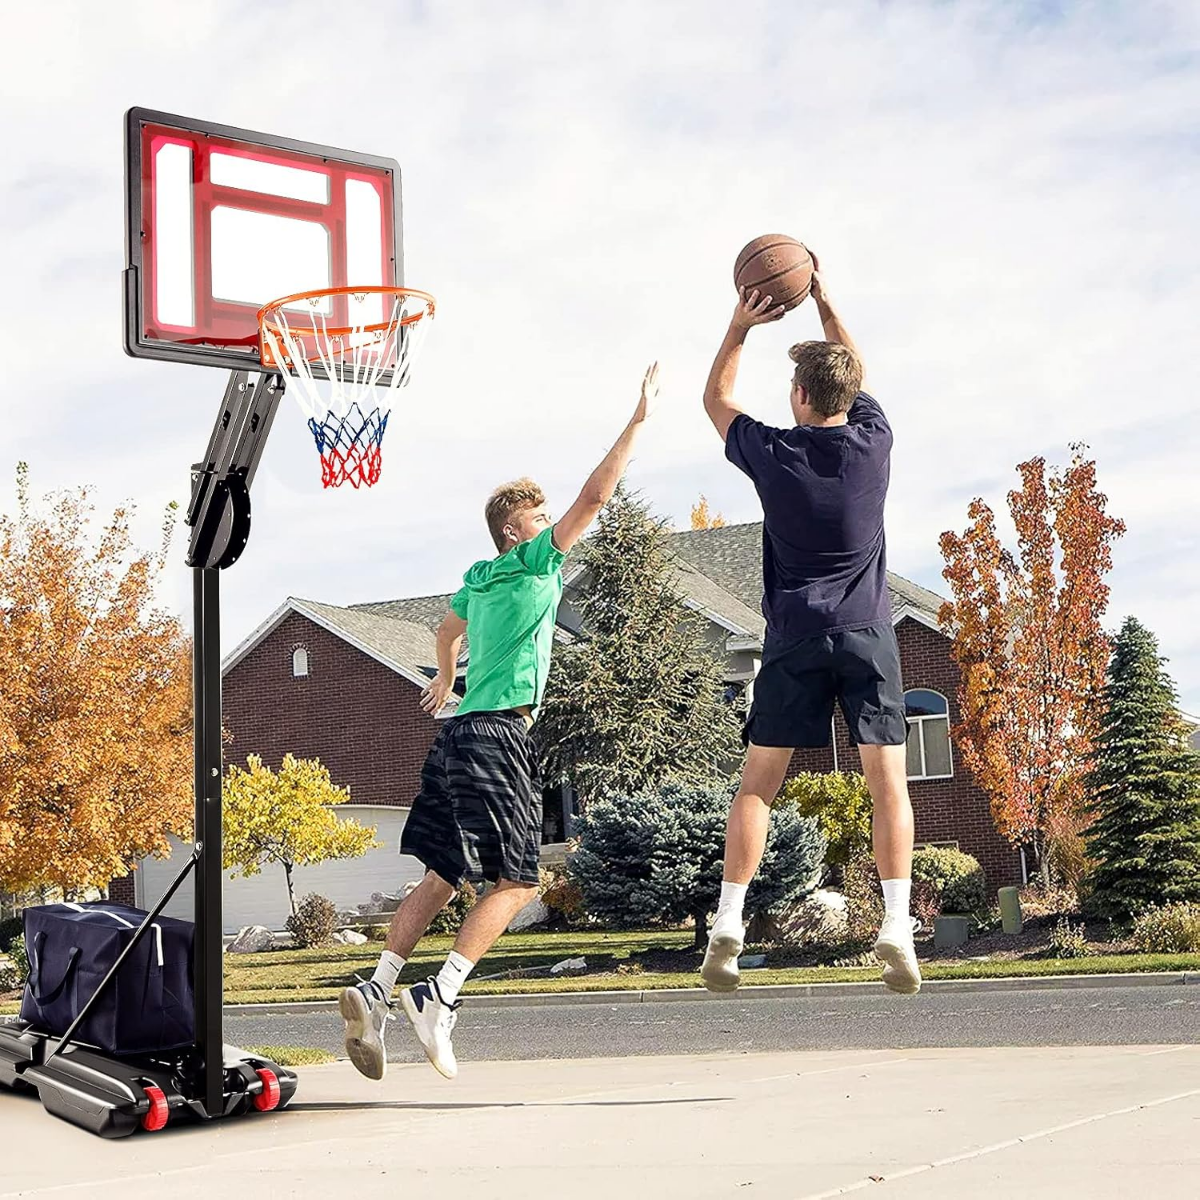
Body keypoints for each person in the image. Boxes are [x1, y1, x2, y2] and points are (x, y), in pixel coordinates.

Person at [340, 363, 659, 1080]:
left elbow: (444, 629)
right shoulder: (532, 564)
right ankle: (439, 997)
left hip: (454, 735)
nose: (553, 528)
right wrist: (637, 421)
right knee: (518, 881)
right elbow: (596, 496)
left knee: (442, 874)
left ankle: (379, 986)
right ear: (516, 531)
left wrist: (445, 675)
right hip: (498, 734)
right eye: (541, 520)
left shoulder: (477, 581)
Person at [699, 256, 920, 996]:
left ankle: (729, 921)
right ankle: (896, 925)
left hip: (793, 634)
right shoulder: (874, 442)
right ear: (850, 396)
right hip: (866, 632)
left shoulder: (774, 454)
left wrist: (739, 325)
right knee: (887, 784)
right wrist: (823, 297)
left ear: (798, 395)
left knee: (758, 787)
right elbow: (852, 368)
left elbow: (716, 398)